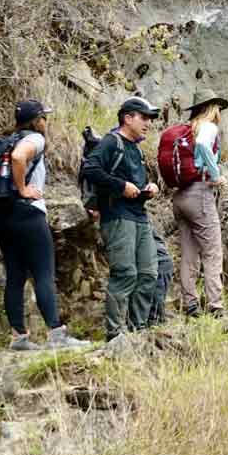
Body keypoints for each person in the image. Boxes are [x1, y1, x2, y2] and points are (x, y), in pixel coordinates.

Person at [0, 100, 90, 350]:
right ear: (36, 121)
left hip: (1, 217)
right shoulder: (34, 139)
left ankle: (19, 337)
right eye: (43, 117)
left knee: (15, 276)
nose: (46, 122)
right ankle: (56, 334)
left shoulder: (5, 141)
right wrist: (23, 189)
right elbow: (18, 157)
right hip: (27, 215)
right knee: (44, 273)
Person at [82, 96, 161, 341]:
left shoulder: (136, 149)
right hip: (117, 216)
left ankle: (138, 330)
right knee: (125, 273)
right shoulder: (111, 142)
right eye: (144, 117)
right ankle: (115, 334)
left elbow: (134, 184)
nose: (148, 123)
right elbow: (91, 170)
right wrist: (121, 186)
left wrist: (149, 187)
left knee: (148, 273)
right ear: (128, 118)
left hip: (139, 215)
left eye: (150, 119)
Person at [171, 89, 228, 317]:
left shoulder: (187, 130)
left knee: (188, 253)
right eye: (218, 108)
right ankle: (215, 306)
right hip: (200, 195)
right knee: (212, 252)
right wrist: (216, 176)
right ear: (212, 109)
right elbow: (205, 146)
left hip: (181, 197)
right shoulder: (208, 127)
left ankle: (190, 305)